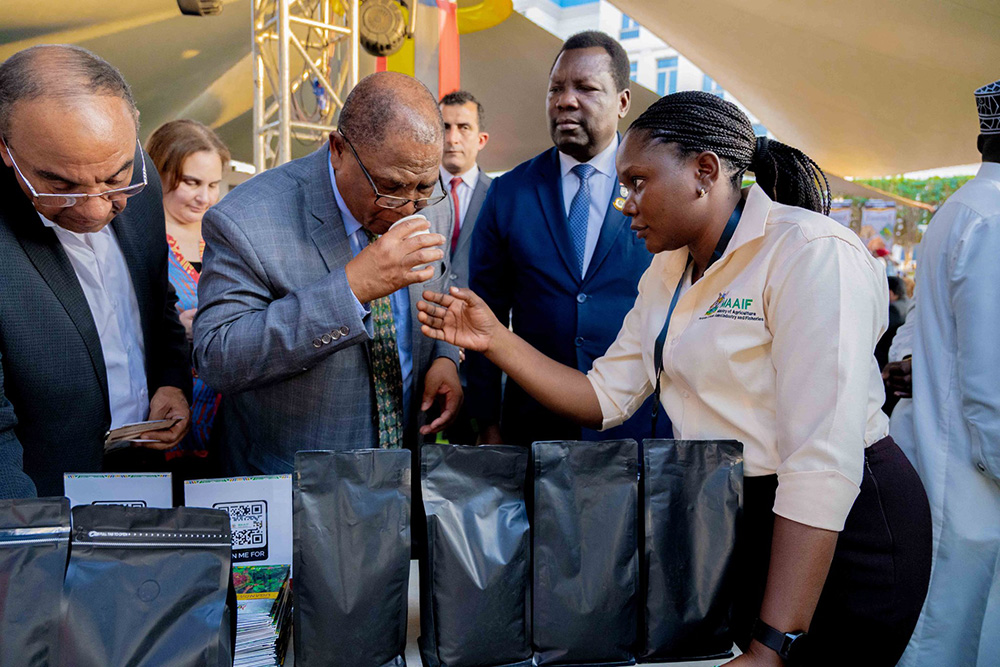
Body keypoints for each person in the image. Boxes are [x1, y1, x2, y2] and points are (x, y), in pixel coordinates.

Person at [419, 91, 932, 666]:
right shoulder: (670, 268)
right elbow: (604, 395)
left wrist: (773, 644)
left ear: (704, 172)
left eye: (638, 182)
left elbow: (821, 462)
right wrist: (496, 339)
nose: (624, 202)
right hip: (744, 519)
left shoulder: (810, 252)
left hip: (844, 533)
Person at [193, 71, 461, 477]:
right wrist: (352, 289)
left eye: (424, 186)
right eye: (391, 187)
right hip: (300, 481)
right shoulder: (246, 219)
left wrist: (443, 359)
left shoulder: (431, 202)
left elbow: (440, 286)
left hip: (406, 469)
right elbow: (219, 357)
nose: (409, 208)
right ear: (338, 150)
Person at [0, 45, 191, 498]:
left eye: (114, 178)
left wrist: (171, 380)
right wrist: (27, 539)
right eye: (60, 185)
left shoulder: (141, 176)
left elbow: (155, 298)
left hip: (145, 471)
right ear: (5, 150)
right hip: (39, 497)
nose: (94, 209)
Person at [466, 31, 668, 446]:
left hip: (637, 432)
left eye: (585, 88)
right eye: (555, 88)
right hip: (535, 431)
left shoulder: (659, 190)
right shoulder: (509, 193)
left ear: (623, 102)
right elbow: (484, 312)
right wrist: (487, 423)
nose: (565, 100)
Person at [895, 79, 1000, 667]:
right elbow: (993, 389)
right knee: (949, 639)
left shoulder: (963, 206)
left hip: (950, 463)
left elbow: (912, 337)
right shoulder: (993, 218)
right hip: (973, 479)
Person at [146, 119, 230, 480]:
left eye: (213, 185)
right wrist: (171, 331)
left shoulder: (226, 236)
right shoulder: (138, 240)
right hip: (162, 417)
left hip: (229, 424)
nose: (205, 197)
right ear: (160, 172)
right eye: (192, 183)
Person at [421, 90, 492, 445]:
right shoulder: (411, 196)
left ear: (481, 139)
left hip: (483, 359)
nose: (452, 138)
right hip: (424, 351)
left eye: (463, 127)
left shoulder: (500, 196)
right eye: (444, 127)